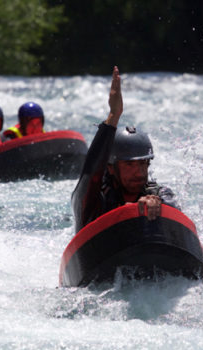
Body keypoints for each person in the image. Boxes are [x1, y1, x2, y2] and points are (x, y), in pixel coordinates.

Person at [71, 66, 177, 232]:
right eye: (129, 165)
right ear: (111, 168)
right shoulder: (96, 199)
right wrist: (113, 116)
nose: (139, 172)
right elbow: (90, 174)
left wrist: (159, 206)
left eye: (143, 164)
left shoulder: (158, 194)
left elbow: (174, 212)